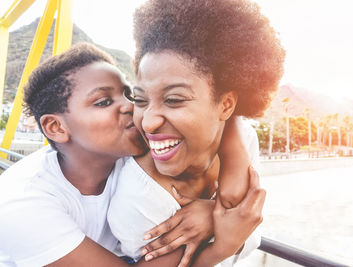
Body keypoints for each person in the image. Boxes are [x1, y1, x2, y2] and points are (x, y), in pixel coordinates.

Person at [0, 42, 268, 266]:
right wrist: (219, 241)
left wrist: (214, 207)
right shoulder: (22, 202)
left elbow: (222, 118)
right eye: (104, 101)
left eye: (131, 95)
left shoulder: (138, 151)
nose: (130, 107)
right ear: (56, 127)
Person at [108, 0, 285, 266]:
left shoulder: (244, 139)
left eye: (174, 100)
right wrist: (221, 244)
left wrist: (212, 212)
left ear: (226, 105)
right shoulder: (140, 198)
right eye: (141, 100)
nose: (148, 123)